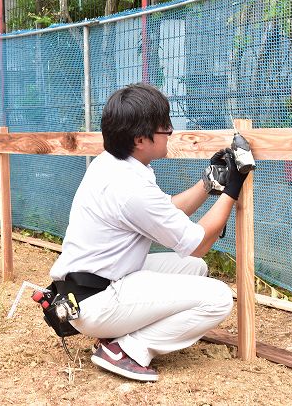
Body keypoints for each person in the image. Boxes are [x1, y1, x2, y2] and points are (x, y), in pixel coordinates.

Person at [48, 83, 248, 382]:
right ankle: (127, 349)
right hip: (95, 299)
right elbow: (199, 242)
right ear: (140, 139)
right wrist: (234, 186)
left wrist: (209, 184)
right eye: (164, 126)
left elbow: (165, 211)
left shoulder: (114, 164)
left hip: (89, 286)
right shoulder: (130, 188)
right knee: (218, 297)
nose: (170, 130)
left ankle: (116, 334)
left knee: (193, 269)